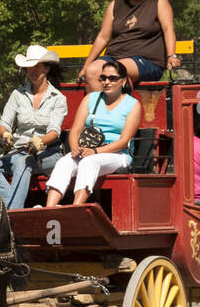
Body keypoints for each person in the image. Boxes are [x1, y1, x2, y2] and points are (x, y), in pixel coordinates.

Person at [44, 57, 141, 207]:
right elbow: (76, 130)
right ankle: (49, 209)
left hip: (118, 154)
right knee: (64, 162)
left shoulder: (132, 105)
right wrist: (75, 147)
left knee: (89, 162)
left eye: (112, 78)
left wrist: (95, 151)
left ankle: (76, 207)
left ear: (123, 81)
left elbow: (124, 141)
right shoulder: (91, 98)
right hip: (88, 149)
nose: (106, 82)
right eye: (103, 78)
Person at [0, 45, 68, 209]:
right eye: (29, 68)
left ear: (46, 68)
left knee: (22, 162)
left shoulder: (58, 98)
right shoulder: (17, 94)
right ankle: (11, 207)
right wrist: (5, 134)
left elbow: (54, 132)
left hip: (47, 155)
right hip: (17, 151)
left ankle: (12, 214)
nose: (32, 72)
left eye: (37, 67)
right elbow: (4, 123)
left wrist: (39, 142)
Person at [77, 0, 180, 91]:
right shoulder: (116, 3)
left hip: (147, 61)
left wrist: (172, 56)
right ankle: (102, 110)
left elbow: (168, 29)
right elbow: (103, 37)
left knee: (114, 72)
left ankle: (120, 108)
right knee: (92, 71)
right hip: (115, 56)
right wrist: (85, 67)